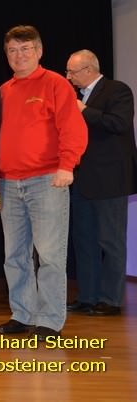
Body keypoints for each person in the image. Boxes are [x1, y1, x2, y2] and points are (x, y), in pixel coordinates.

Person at [0, 25, 87, 340]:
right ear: (6, 55)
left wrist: (67, 165)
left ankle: (49, 320)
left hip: (48, 181)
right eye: (12, 50)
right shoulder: (3, 91)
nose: (19, 55)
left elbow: (72, 128)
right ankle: (23, 314)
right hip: (8, 183)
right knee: (14, 256)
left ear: (39, 51)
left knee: (49, 255)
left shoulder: (56, 84)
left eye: (25, 48)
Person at [65, 49, 137, 316]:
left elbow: (119, 124)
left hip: (110, 180)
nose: (68, 77)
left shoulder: (117, 90)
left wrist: (84, 110)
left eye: (72, 72)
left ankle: (111, 299)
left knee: (111, 240)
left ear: (89, 70)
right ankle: (87, 296)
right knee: (84, 241)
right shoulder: (74, 97)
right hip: (82, 179)